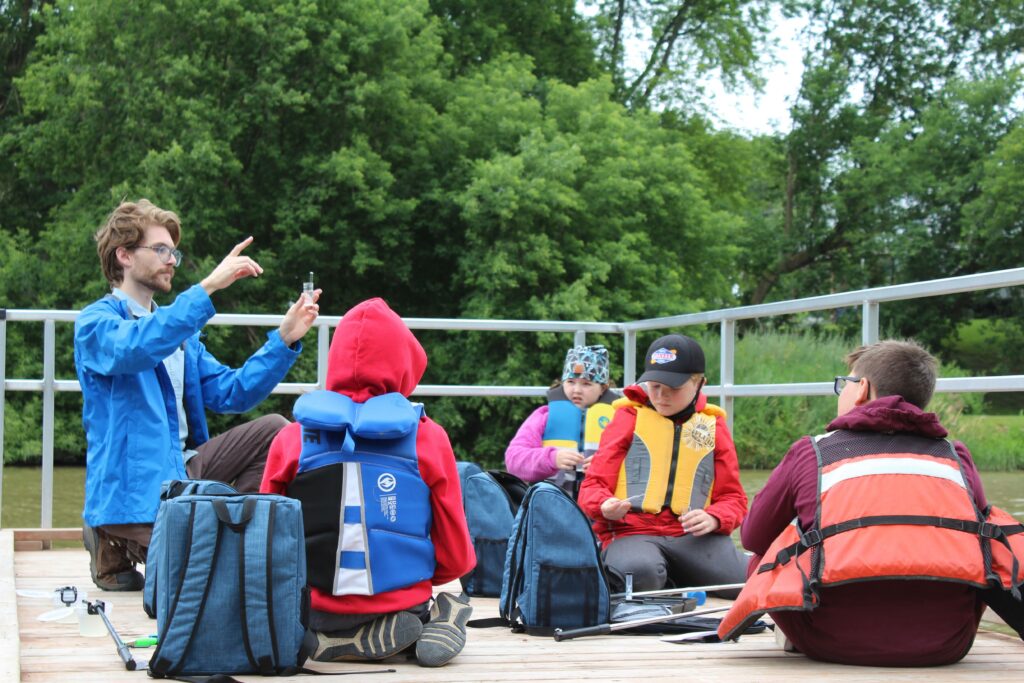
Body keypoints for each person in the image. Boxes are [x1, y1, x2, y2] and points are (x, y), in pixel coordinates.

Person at [720, 340, 1024, 665]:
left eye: (845, 383)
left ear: (862, 388)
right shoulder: (955, 457)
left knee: (770, 553)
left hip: (828, 639)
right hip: (946, 642)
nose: (842, 391)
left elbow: (753, 538)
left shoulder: (812, 452)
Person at [74, 199, 320, 591]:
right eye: (160, 250)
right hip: (137, 487)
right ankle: (112, 533)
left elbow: (233, 393)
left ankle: (227, 531)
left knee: (275, 430)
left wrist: (285, 338)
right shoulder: (96, 325)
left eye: (173, 251)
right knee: (201, 574)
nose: (171, 260)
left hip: (184, 472)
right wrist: (209, 286)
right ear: (123, 255)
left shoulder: (180, 336)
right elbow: (136, 347)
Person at [261, 297, 476, 667]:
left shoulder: (291, 439)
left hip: (312, 608)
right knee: (431, 604)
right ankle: (442, 617)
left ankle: (331, 638)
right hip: (401, 601)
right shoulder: (428, 437)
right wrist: (429, 577)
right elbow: (454, 553)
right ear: (405, 362)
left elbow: (266, 537)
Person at [578, 334, 749, 595]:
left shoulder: (714, 427)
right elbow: (592, 487)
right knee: (640, 575)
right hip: (631, 534)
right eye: (655, 386)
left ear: (700, 383)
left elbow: (734, 499)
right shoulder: (627, 418)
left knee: (747, 582)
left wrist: (715, 518)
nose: (661, 396)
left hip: (693, 538)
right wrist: (604, 506)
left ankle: (674, 577)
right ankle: (669, 576)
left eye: (674, 388)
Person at [504, 344, 618, 497]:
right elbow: (513, 461)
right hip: (552, 507)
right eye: (571, 381)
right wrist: (551, 459)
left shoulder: (619, 418)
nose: (576, 390)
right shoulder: (544, 415)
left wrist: (608, 465)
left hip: (600, 508)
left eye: (586, 384)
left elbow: (635, 464)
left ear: (603, 388)